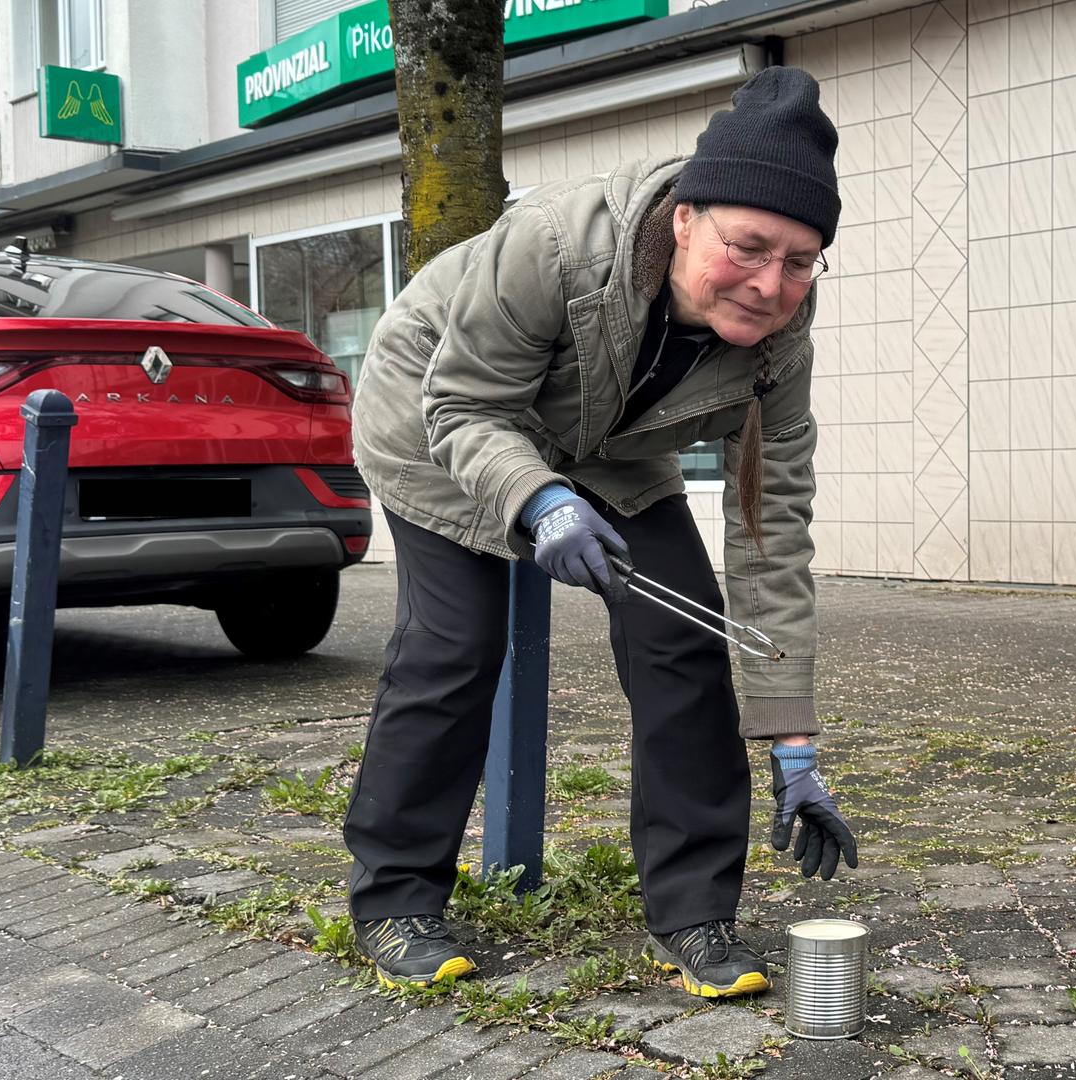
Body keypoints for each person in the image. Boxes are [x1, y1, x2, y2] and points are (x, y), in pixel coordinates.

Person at [341, 66, 857, 998]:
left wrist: (794, 743)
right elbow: (463, 406)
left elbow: (771, 532)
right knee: (455, 646)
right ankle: (395, 900)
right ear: (687, 218)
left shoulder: (783, 344)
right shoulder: (554, 245)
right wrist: (538, 501)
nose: (769, 282)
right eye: (749, 247)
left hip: (606, 444)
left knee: (686, 639)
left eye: (798, 259)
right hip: (439, 414)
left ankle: (696, 915)